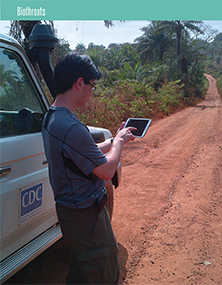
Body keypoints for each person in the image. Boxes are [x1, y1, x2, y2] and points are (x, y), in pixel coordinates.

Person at [41, 52, 136, 284]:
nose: (93, 91)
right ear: (79, 83)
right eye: (93, 85)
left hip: (70, 214)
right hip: (87, 218)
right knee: (104, 271)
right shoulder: (71, 127)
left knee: (82, 270)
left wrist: (113, 141)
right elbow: (106, 171)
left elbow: (82, 153)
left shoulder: (52, 118)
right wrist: (121, 143)